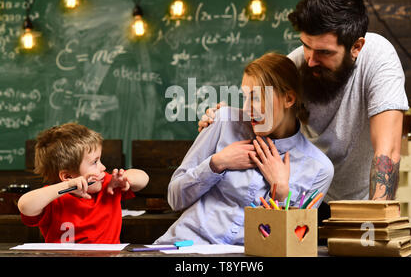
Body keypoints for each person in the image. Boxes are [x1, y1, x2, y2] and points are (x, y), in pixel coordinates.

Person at [198, 0, 409, 223]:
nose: (309, 60)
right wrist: (224, 119)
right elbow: (262, 117)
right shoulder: (296, 64)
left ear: (356, 47)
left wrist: (377, 222)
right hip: (303, 197)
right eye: (306, 46)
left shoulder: (379, 59)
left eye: (324, 52)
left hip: (359, 204)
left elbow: (388, 150)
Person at [155, 53, 333, 245]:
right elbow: (175, 199)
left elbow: (293, 243)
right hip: (185, 245)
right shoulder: (224, 121)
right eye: (245, 97)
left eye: (255, 98)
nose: (247, 108)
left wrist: (281, 193)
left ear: (288, 99)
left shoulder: (319, 169)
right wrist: (217, 163)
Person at [17, 122, 149, 243]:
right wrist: (68, 186)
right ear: (68, 176)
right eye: (94, 162)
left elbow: (143, 178)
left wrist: (125, 178)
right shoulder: (53, 199)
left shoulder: (109, 186)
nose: (103, 168)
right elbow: (25, 205)